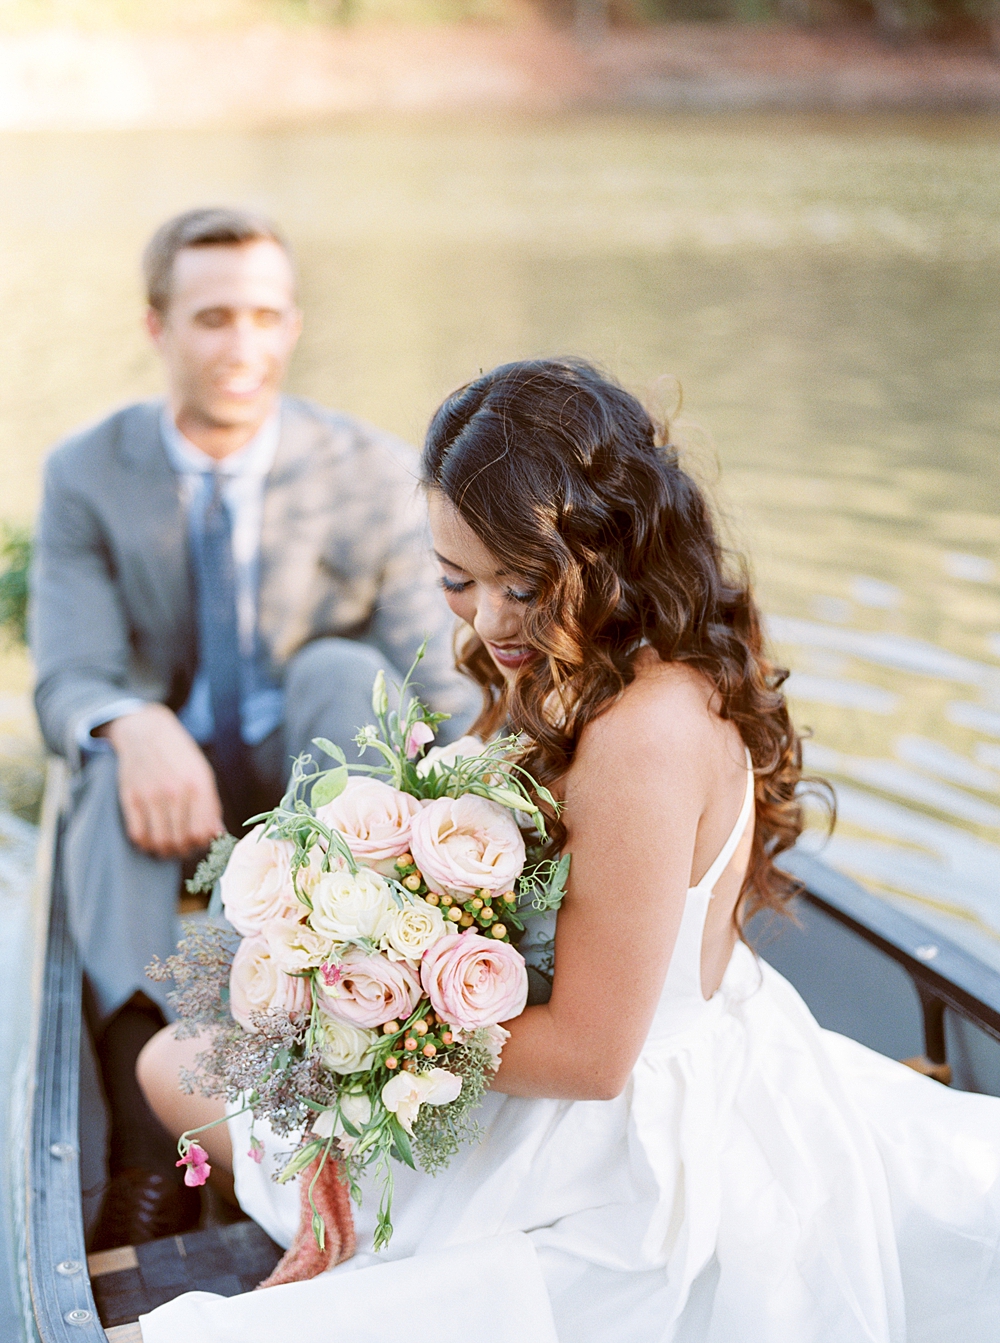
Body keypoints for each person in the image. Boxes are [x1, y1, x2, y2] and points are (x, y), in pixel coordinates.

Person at [137, 359, 1000, 1342]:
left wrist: (358, 1026)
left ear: (611, 545)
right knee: (186, 1058)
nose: (489, 619)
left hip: (603, 1141)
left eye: (522, 583)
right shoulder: (583, 656)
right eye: (456, 580)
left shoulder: (642, 738)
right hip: (550, 1050)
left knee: (179, 1065)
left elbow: (593, 1056)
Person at [29, 207, 475, 1251]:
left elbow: (436, 677)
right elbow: (69, 677)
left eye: (266, 317)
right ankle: (149, 1150)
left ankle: (335, 1065)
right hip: (163, 794)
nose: (243, 346)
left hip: (315, 783)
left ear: (294, 325)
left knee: (344, 671)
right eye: (213, 317)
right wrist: (131, 720)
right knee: (104, 769)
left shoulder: (369, 470)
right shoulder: (86, 472)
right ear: (157, 326)